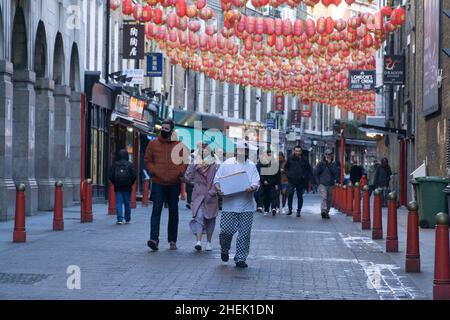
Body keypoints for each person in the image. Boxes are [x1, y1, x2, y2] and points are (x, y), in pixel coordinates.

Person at [144, 119, 189, 251]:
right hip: (158, 182)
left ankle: (172, 240)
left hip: (174, 183)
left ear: (171, 130)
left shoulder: (179, 145)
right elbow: (148, 160)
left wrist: (179, 172)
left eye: (166, 128)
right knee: (156, 210)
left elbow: (185, 161)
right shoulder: (153, 144)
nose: (163, 130)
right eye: (162, 128)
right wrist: (153, 171)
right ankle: (154, 239)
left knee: (173, 212)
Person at [214, 141, 260, 268]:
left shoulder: (251, 166)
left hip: (246, 206)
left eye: (245, 151)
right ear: (235, 151)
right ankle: (224, 249)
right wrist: (218, 189)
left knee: (244, 235)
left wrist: (253, 187)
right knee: (226, 231)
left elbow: (256, 182)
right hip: (229, 205)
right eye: (240, 150)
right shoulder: (226, 164)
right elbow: (217, 180)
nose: (243, 153)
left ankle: (240, 258)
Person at [185, 143, 219, 251]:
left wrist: (213, 191)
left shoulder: (216, 165)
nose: (204, 152)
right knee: (199, 216)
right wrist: (190, 165)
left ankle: (208, 242)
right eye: (201, 150)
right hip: (198, 194)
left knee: (210, 219)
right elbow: (188, 177)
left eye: (206, 150)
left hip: (211, 194)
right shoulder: (195, 164)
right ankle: (198, 241)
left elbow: (218, 179)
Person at [108, 149, 137, 225]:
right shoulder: (130, 164)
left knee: (118, 202)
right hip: (127, 186)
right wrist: (130, 183)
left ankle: (119, 219)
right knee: (127, 202)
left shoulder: (115, 164)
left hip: (118, 186)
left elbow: (110, 175)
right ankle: (127, 219)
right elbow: (134, 175)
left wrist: (115, 182)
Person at [285, 145, 313, 217]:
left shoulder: (304, 159)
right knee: (289, 195)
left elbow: (308, 169)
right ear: (294, 151)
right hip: (291, 180)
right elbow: (286, 168)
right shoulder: (290, 158)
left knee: (299, 196)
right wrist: (289, 175)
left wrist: (304, 176)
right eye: (296, 151)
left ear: (301, 151)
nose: (297, 152)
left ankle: (298, 211)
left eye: (299, 151)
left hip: (300, 181)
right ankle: (290, 209)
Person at [314, 149, 339, 220]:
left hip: (330, 184)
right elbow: (316, 173)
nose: (328, 156)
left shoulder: (334, 164)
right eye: (327, 154)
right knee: (324, 197)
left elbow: (335, 173)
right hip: (322, 184)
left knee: (329, 199)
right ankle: (323, 210)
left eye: (330, 155)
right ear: (324, 155)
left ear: (332, 156)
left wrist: (329, 164)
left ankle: (327, 212)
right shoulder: (321, 164)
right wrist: (318, 183)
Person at [257, 149, 280, 216]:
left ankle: (273, 208)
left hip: (272, 182)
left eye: (270, 155)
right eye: (268, 155)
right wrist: (263, 180)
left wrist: (277, 184)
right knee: (265, 196)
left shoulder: (275, 163)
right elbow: (261, 173)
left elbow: (278, 175)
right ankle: (265, 208)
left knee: (273, 196)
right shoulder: (262, 163)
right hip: (264, 183)